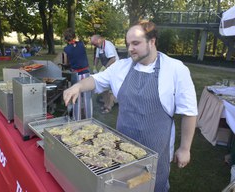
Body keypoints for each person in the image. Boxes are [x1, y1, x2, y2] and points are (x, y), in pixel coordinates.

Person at [63, 20, 198, 191]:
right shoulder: (122, 67)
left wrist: (185, 148)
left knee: (152, 185)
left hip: (156, 151)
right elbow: (96, 80)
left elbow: (189, 112)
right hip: (120, 147)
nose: (130, 49)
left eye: (136, 43)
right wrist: (78, 86)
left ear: (152, 41)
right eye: (128, 44)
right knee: (123, 186)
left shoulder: (176, 69)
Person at [62, 28, 92, 120]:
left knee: (76, 97)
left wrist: (65, 64)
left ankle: (77, 118)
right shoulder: (81, 44)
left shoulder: (66, 49)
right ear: (74, 36)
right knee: (87, 97)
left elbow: (66, 63)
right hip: (86, 73)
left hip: (76, 74)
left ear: (65, 38)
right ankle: (89, 118)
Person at [91, 34, 119, 114]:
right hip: (107, 68)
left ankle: (109, 107)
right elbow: (97, 58)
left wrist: (104, 68)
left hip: (114, 68)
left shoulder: (108, 45)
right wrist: (94, 67)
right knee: (102, 86)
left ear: (99, 40)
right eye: (93, 44)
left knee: (111, 89)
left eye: (94, 43)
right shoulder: (99, 47)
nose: (94, 45)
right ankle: (106, 104)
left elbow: (113, 59)